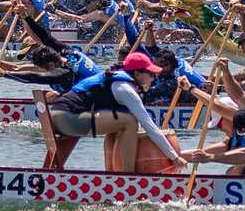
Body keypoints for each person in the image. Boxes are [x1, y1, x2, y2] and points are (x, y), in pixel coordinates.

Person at [45, 51, 185, 172]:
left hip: (57, 115)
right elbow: (149, 126)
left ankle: (111, 173)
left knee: (117, 125)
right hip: (66, 118)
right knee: (130, 122)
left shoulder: (115, 78)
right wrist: (174, 157)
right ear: (137, 73)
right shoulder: (125, 89)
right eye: (151, 74)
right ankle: (128, 177)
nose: (154, 79)